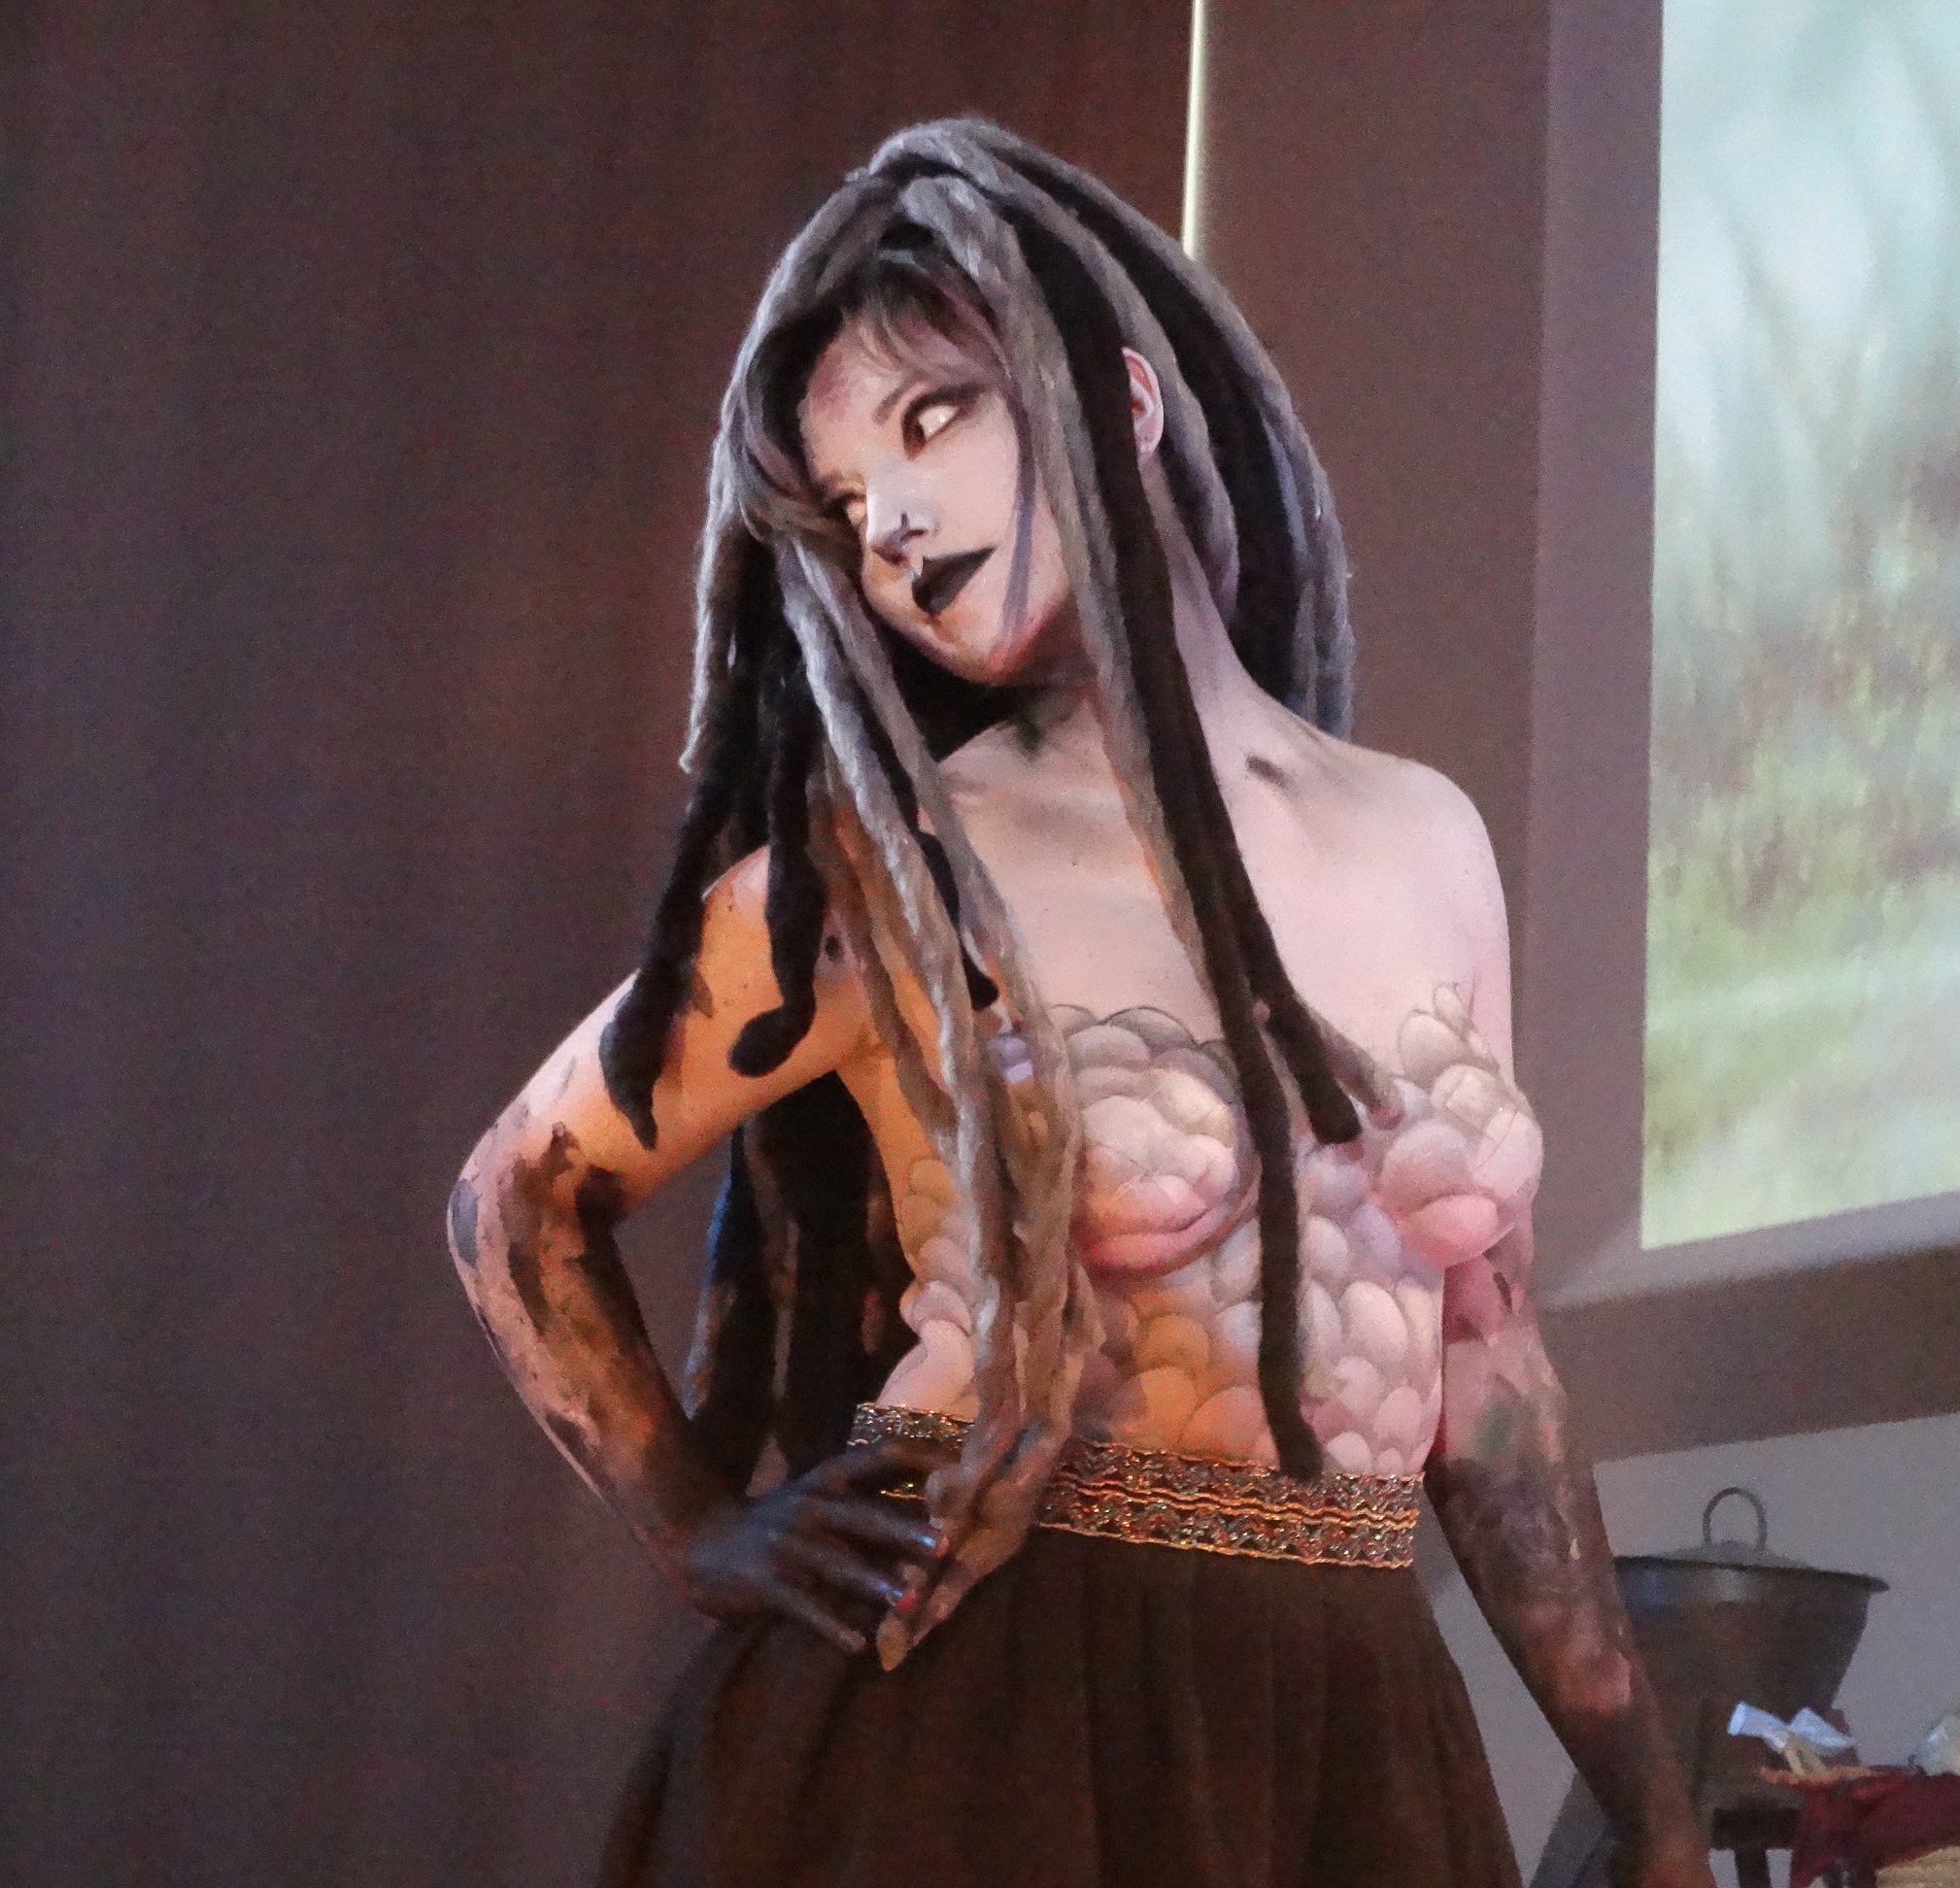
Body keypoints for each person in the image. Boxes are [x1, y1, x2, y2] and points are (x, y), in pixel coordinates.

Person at [447, 118, 1714, 1888]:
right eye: (846, 506)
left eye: (931, 421)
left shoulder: (1428, 837)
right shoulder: (891, 870)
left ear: (1119, 400)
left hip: (1346, 1730)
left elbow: (1488, 1378)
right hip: (988, 1721)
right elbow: (513, 1200)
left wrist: (1652, 1808)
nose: (892, 523)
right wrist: (700, 1533)